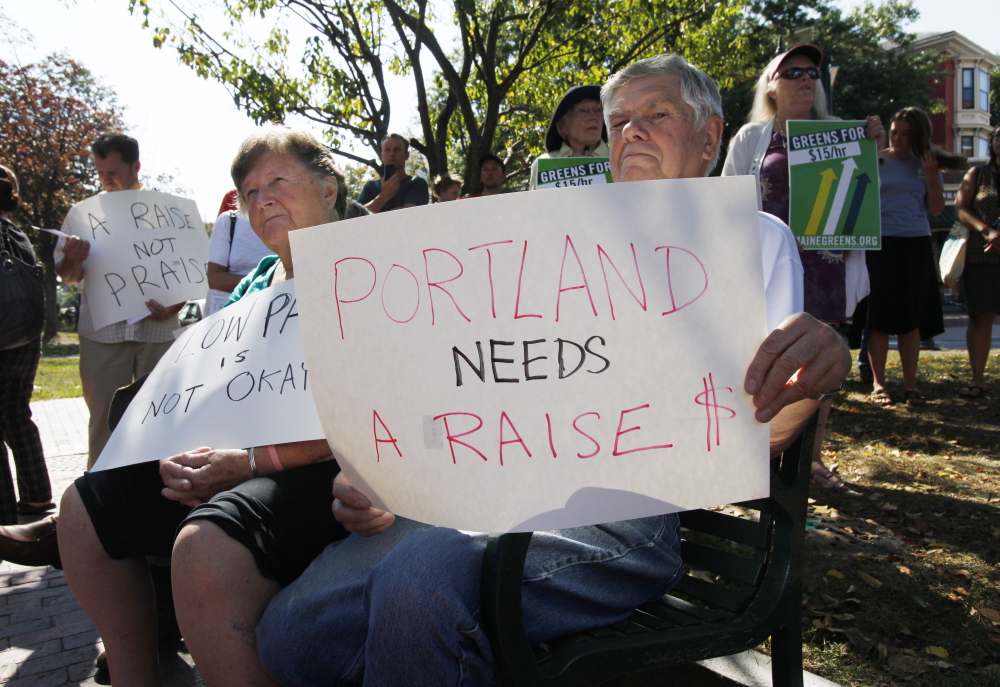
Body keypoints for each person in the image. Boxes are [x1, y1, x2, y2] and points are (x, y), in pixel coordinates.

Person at [254, 54, 851, 687]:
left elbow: (767, 425)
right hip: (491, 488)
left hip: (624, 509)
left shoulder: (750, 240)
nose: (632, 132)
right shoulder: (541, 243)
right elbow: (469, 380)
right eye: (618, 121)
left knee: (421, 580)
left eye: (657, 114)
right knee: (289, 632)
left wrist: (820, 364)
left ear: (709, 137)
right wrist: (387, 472)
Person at [53, 127, 366, 687]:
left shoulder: (373, 266)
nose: (262, 198)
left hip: (339, 470)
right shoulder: (258, 284)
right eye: (249, 193)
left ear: (328, 188)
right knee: (85, 509)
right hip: (239, 456)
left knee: (205, 549)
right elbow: (208, 380)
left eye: (277, 180)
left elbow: (380, 413)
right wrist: (174, 450)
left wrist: (248, 464)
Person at [721, 43, 883, 490]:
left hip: (822, 267)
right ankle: (751, 450)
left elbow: (863, 198)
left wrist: (872, 150)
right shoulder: (750, 138)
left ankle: (810, 459)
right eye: (792, 72)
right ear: (771, 85)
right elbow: (726, 203)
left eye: (812, 71)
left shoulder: (841, 133)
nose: (805, 78)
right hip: (765, 268)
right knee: (758, 354)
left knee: (816, 363)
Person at [55, 133, 185, 469]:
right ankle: (97, 500)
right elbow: (68, 277)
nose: (106, 179)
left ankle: (157, 496)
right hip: (103, 333)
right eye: (100, 172)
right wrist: (73, 260)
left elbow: (189, 270)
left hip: (157, 331)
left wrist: (175, 304)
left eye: (112, 171)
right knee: (103, 420)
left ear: (136, 166)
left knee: (159, 416)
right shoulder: (82, 215)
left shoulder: (167, 211)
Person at [867, 107, 966, 406]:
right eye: (894, 131)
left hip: (915, 243)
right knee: (878, 319)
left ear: (918, 136)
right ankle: (879, 386)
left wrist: (933, 174)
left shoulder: (926, 164)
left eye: (905, 133)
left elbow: (936, 210)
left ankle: (911, 387)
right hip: (880, 243)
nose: (897, 138)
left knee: (911, 322)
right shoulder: (877, 159)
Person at [0, 165, 55, 525]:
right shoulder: (17, 233)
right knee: (18, 414)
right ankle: (37, 498)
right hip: (25, 338)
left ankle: (3, 510)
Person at [955, 126, 1000, 398]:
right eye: (997, 137)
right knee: (981, 317)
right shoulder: (979, 174)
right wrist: (987, 231)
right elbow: (960, 208)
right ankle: (978, 380)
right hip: (979, 257)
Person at [528, 85, 609, 190]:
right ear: (562, 127)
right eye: (583, 111)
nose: (593, 117)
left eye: (598, 110)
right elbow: (537, 205)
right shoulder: (543, 165)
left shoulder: (620, 159)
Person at [207, 189, 274, 293]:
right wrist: (267, 283)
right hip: (235, 305)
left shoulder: (299, 221)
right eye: (252, 190)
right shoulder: (228, 221)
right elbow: (214, 279)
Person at [357, 133, 430, 213]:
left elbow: (408, 214)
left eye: (397, 150)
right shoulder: (370, 186)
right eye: (387, 150)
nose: (391, 154)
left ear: (406, 155)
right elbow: (356, 217)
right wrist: (384, 195)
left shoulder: (417, 183)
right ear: (382, 156)